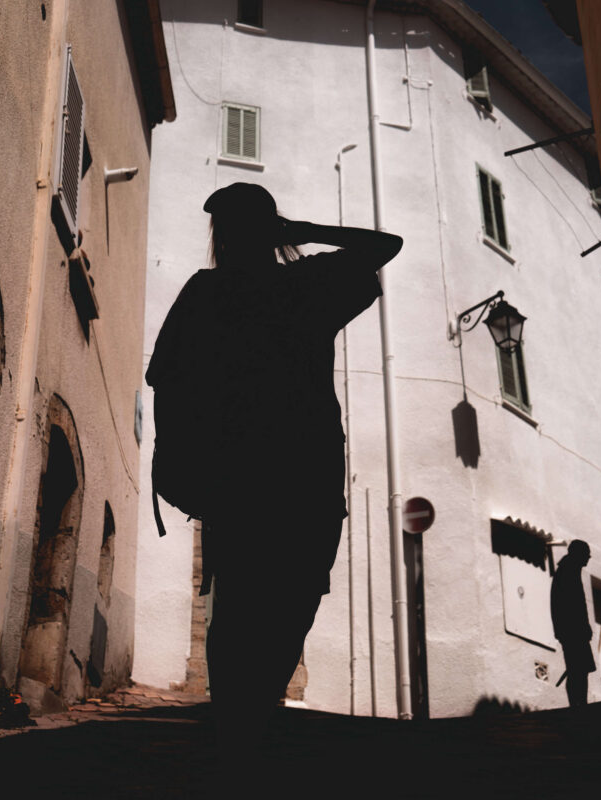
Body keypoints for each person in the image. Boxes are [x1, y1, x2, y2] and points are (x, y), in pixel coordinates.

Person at [146, 182, 402, 779]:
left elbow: (164, 377)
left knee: (252, 601)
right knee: (272, 599)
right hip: (290, 472)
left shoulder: (278, 285)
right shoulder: (298, 284)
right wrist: (303, 234)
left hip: (256, 475)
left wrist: (180, 461)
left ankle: (241, 726)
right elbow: (381, 246)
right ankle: (242, 731)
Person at [551, 539, 595, 707]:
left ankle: (577, 703)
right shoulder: (568, 571)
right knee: (579, 670)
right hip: (573, 631)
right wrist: (583, 627)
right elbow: (573, 605)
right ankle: (578, 704)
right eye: (586, 554)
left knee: (577, 669)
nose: (589, 558)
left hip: (571, 630)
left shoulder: (568, 570)